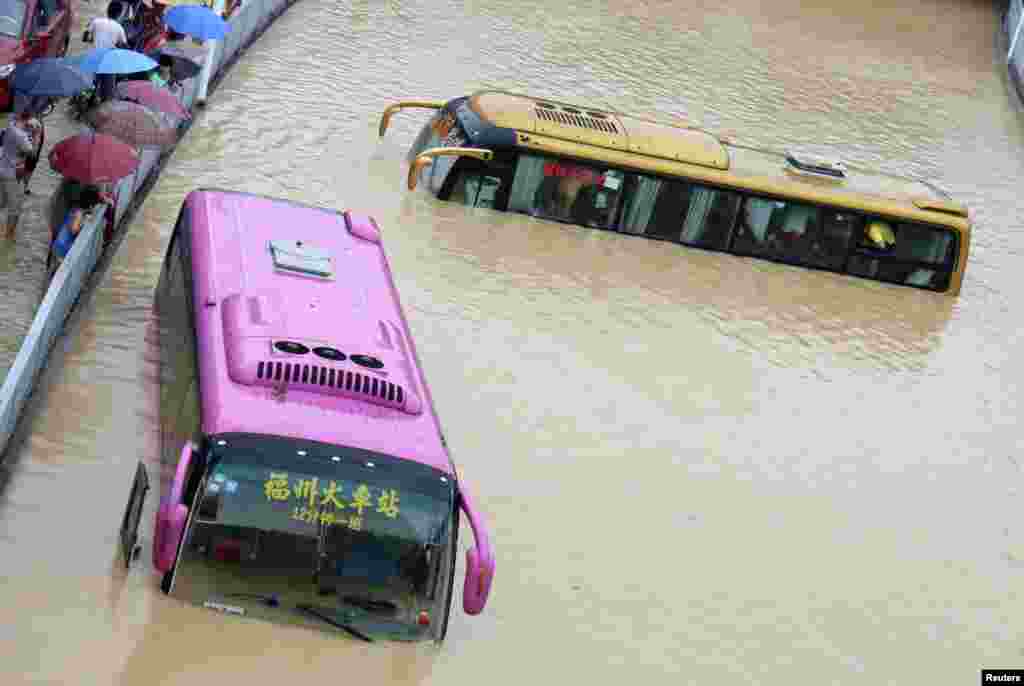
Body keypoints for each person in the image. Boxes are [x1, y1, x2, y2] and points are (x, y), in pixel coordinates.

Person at [0, 111, 38, 239]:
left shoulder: (9, 125)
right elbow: (33, 154)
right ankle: (9, 237)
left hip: (3, 167)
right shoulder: (20, 135)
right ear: (28, 118)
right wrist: (36, 135)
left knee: (1, 202)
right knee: (15, 209)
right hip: (11, 174)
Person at [85, 2, 130, 101]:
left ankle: (85, 99)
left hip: (95, 58)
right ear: (120, 14)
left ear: (107, 10)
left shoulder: (96, 21)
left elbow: (85, 37)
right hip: (108, 62)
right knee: (108, 96)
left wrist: (93, 39)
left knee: (88, 87)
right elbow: (125, 47)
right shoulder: (119, 28)